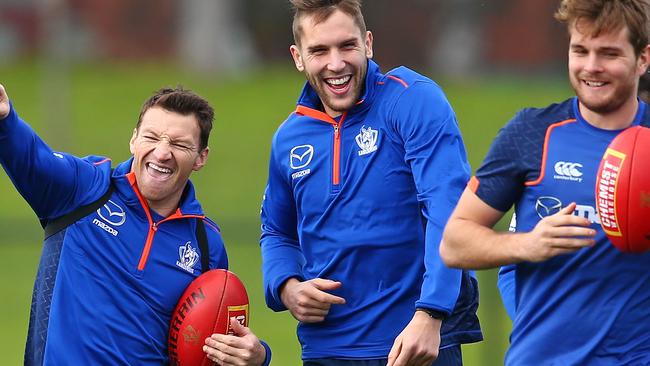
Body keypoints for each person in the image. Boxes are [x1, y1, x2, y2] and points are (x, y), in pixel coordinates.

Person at [260, 1, 482, 365]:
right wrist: (287, 286)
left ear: (368, 43)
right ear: (298, 57)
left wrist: (431, 314)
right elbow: (276, 230)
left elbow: (449, 209)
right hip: (326, 349)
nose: (336, 64)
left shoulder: (412, 99)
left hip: (414, 345)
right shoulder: (288, 138)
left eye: (347, 46)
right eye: (319, 50)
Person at [440, 0, 650, 364]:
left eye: (609, 53)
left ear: (643, 58)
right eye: (580, 50)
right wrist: (527, 245)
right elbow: (454, 243)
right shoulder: (532, 133)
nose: (591, 67)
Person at [0, 85, 271, 365]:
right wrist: (5, 118)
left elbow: (215, 339)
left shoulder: (205, 244)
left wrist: (258, 356)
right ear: (134, 140)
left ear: (201, 157)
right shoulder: (85, 189)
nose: (162, 152)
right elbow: (31, 158)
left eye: (179, 144)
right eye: (151, 137)